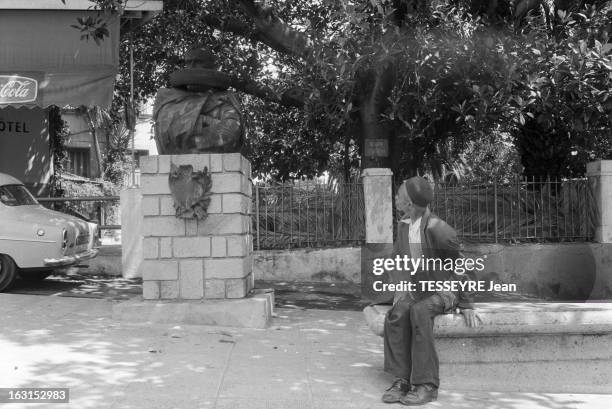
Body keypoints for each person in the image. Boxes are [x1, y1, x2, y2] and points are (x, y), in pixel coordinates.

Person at [382, 176, 481, 406]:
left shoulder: (440, 230)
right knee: (397, 314)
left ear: (409, 204)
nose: (395, 197)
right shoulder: (404, 226)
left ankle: (427, 385)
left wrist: (466, 302)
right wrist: (400, 287)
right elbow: (399, 259)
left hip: (448, 288)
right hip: (420, 286)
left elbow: (461, 265)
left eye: (399, 195)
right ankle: (402, 380)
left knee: (420, 312)